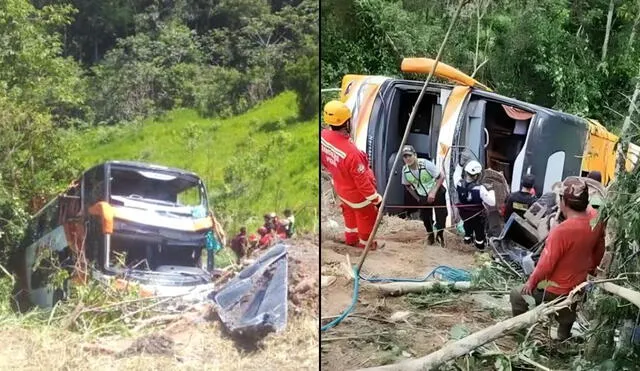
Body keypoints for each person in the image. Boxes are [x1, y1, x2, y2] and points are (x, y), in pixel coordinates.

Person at [509, 177, 605, 340]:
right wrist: (592, 269)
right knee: (567, 313)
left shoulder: (561, 231)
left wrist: (531, 283)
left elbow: (546, 265)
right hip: (577, 286)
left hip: (554, 289)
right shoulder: (595, 219)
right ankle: (563, 335)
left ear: (563, 201)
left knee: (517, 295)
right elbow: (599, 250)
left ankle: (519, 335)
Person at [321, 100, 382, 250]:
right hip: (357, 194)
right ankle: (366, 245)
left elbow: (325, 161)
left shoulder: (323, 137)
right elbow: (362, 183)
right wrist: (377, 200)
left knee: (349, 212)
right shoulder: (351, 153)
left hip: (341, 188)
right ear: (346, 122)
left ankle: (351, 239)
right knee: (367, 216)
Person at [400, 145, 447, 247]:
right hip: (422, 195)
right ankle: (430, 235)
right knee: (425, 218)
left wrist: (433, 192)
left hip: (437, 191)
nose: (407, 158)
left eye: (409, 155)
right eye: (405, 156)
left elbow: (441, 176)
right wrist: (417, 197)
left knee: (441, 216)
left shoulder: (425, 164)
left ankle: (440, 235)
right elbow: (407, 185)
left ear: (415, 155)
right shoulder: (405, 171)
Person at [455, 160, 496, 250]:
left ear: (466, 172)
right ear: (477, 175)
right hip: (477, 216)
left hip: (464, 214)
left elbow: (456, 175)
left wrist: (460, 165)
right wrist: (491, 190)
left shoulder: (458, 183)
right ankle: (479, 246)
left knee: (467, 227)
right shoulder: (480, 189)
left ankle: (467, 241)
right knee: (479, 231)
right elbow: (492, 202)